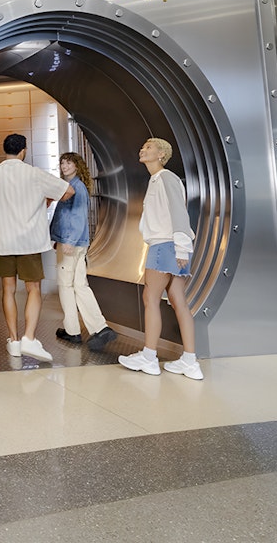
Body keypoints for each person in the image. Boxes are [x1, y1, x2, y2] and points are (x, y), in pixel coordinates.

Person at [0, 133, 68, 362]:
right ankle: (29, 337)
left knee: (7, 289)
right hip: (29, 242)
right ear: (23, 151)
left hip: (2, 241)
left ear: (5, 150)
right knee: (33, 290)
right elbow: (68, 191)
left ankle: (14, 340)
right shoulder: (34, 174)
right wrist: (46, 201)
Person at [118, 138, 204, 380]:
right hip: (173, 245)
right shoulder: (157, 180)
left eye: (149, 147)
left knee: (150, 298)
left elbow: (178, 211)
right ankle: (189, 361)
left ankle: (149, 356)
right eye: (143, 146)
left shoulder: (165, 178)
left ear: (161, 155)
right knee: (178, 300)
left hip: (166, 244)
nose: (142, 149)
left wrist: (181, 248)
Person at [50, 152, 117, 351]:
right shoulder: (77, 187)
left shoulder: (75, 188)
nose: (64, 165)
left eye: (69, 162)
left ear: (77, 166)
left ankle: (75, 331)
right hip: (78, 243)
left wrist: (67, 241)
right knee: (80, 285)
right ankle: (99, 328)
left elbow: (77, 218)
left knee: (66, 286)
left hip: (71, 244)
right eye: (62, 162)